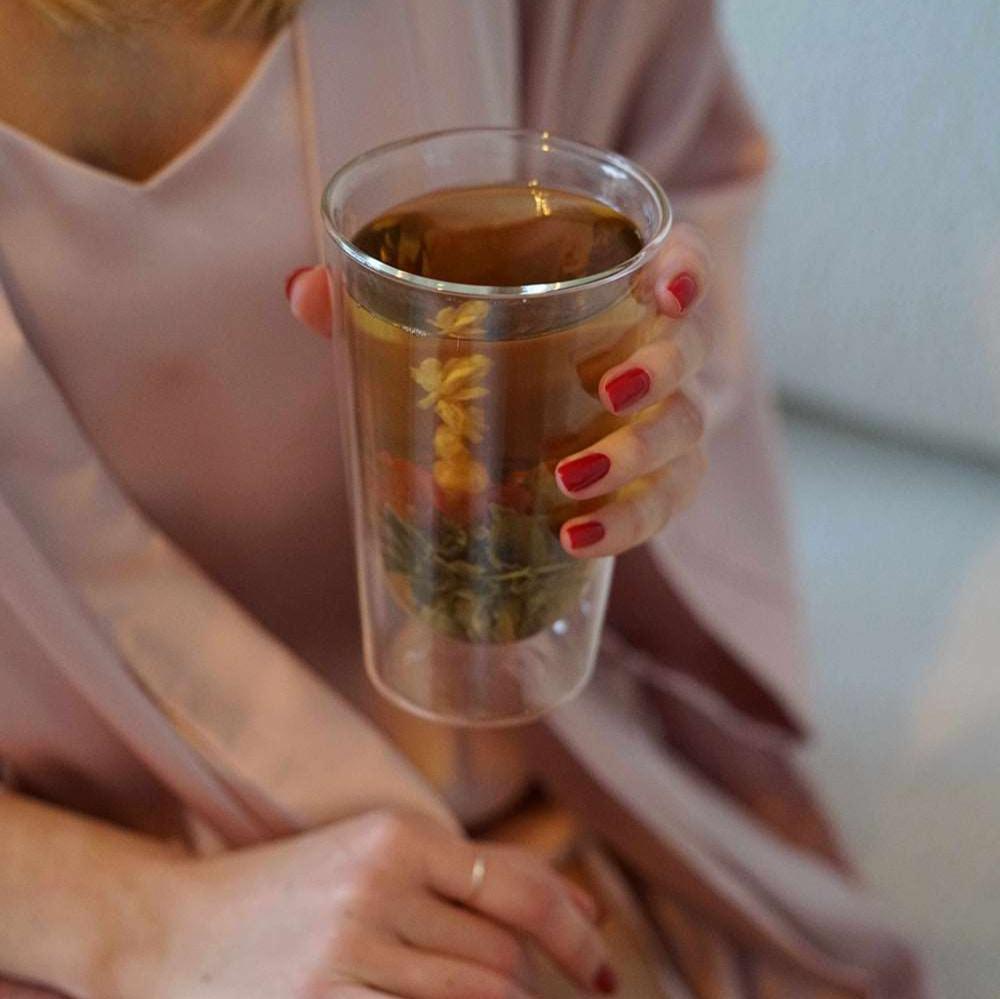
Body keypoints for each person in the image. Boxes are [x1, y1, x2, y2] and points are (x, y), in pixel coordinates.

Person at [0, 1, 925, 996]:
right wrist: (143, 926)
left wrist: (653, 391)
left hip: (511, 784)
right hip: (63, 885)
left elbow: (671, 191)